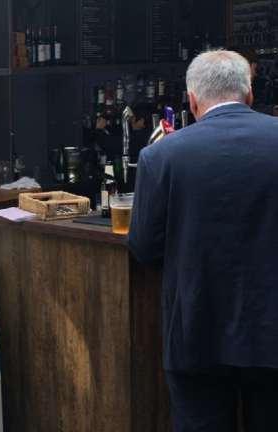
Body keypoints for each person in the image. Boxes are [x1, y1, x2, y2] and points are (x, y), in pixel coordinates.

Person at [129, 50, 278, 432]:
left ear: (192, 100)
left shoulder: (160, 156)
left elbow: (144, 247)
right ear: (249, 94)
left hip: (196, 330)